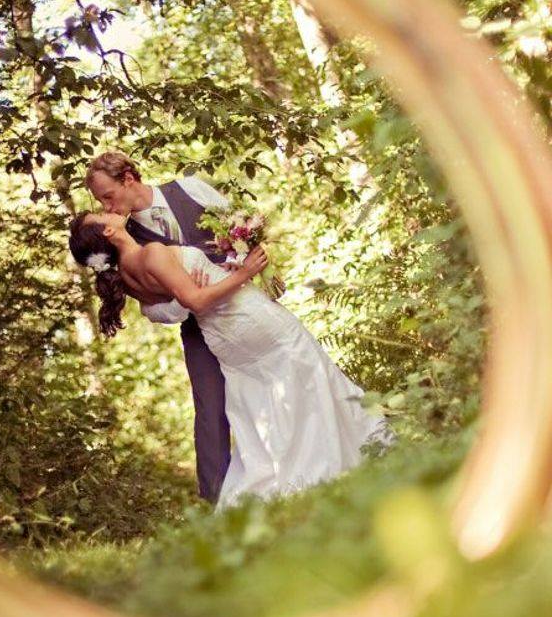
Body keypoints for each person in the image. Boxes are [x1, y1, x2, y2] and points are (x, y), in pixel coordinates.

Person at [68, 206, 393, 511]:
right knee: (307, 372)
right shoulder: (150, 253)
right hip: (245, 317)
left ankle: (301, 473)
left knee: (267, 400)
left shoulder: (125, 275)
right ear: (109, 230)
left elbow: (174, 304)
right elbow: (195, 300)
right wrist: (245, 272)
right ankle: (343, 459)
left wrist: (219, 271)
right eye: (102, 212)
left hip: (223, 337)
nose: (108, 208)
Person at [85, 151, 233, 503]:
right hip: (199, 328)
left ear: (129, 179)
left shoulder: (191, 189)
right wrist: (184, 296)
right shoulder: (122, 239)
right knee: (210, 410)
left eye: (109, 196)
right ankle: (217, 502)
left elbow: (242, 231)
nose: (108, 207)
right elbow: (153, 310)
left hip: (244, 307)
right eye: (100, 201)